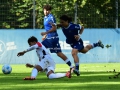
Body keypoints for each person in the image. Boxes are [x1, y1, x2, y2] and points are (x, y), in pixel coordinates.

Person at [40, 5, 74, 72]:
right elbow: (49, 27)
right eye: (45, 10)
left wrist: (45, 33)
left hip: (52, 38)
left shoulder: (51, 17)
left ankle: (43, 66)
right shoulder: (45, 17)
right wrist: (45, 35)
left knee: (41, 48)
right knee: (42, 49)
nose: (46, 11)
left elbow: (54, 27)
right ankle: (71, 66)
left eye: (47, 10)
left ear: (50, 11)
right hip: (50, 38)